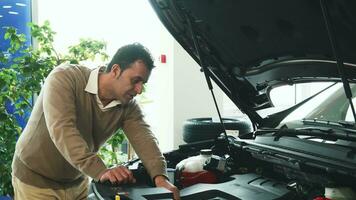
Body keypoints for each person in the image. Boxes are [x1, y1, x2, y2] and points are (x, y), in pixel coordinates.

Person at [11, 43, 180, 199]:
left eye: (142, 83)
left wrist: (160, 178)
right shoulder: (65, 78)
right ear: (115, 70)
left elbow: (145, 139)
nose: (139, 89)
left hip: (76, 181)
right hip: (36, 180)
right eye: (135, 80)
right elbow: (63, 130)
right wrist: (101, 171)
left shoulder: (128, 107)